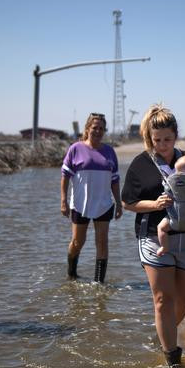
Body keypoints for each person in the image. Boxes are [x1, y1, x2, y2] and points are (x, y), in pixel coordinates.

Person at [121, 104, 185, 367]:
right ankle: (172, 357)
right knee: (162, 300)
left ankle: (164, 333)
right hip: (154, 236)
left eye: (167, 139)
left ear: (176, 135)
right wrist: (155, 205)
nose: (162, 145)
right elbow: (127, 203)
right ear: (150, 137)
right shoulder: (140, 164)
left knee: (184, 299)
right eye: (157, 140)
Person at [60, 112, 122, 283]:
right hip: (81, 204)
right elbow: (65, 176)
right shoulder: (76, 149)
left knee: (102, 243)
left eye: (101, 128)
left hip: (104, 204)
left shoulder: (109, 152)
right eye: (95, 128)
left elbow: (115, 180)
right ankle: (71, 274)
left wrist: (119, 203)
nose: (98, 131)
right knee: (78, 242)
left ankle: (98, 283)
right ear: (87, 129)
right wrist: (63, 201)